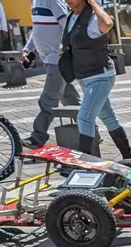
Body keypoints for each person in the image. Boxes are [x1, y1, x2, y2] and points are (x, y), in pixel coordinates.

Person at [60, 0, 131, 160]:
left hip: (101, 76)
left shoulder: (93, 18)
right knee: (108, 117)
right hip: (84, 77)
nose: (67, 0)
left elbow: (108, 23)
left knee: (84, 118)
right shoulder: (71, 17)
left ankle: (84, 162)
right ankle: (130, 157)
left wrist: (93, 3)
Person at [22, 0, 81, 149]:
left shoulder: (52, 1)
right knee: (70, 99)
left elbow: (68, 25)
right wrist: (28, 48)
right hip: (49, 59)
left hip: (58, 59)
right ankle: (91, 132)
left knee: (48, 99)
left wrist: (67, 47)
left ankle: (37, 137)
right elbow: (37, 29)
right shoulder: (35, 2)